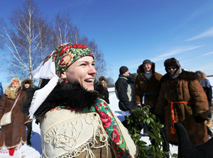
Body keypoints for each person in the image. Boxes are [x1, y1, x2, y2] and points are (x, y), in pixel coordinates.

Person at [22, 43, 137, 158]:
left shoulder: (98, 104)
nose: (93, 71)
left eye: (93, 64)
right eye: (83, 64)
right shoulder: (55, 117)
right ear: (63, 73)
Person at [154, 57, 209, 146]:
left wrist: (201, 114)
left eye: (173, 68)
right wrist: (158, 113)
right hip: (173, 114)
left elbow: (200, 97)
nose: (171, 70)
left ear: (178, 67)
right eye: (169, 68)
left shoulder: (189, 77)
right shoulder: (165, 80)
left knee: (196, 140)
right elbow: (161, 98)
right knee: (180, 140)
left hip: (190, 114)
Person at [0, 78, 28, 156]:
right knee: (7, 134)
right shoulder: (6, 94)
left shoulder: (23, 94)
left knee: (16, 134)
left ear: (19, 85)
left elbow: (25, 106)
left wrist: (27, 118)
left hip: (19, 118)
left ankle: (15, 149)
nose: (14, 85)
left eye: (16, 83)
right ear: (11, 84)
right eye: (13, 83)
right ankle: (9, 148)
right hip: (7, 118)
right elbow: (1, 107)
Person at [21, 78, 34, 146]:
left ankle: (28, 140)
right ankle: (23, 139)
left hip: (29, 110)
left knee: (29, 126)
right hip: (22, 110)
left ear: (30, 84)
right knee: (22, 126)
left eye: (28, 84)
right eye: (25, 84)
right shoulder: (21, 91)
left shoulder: (33, 91)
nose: (26, 85)